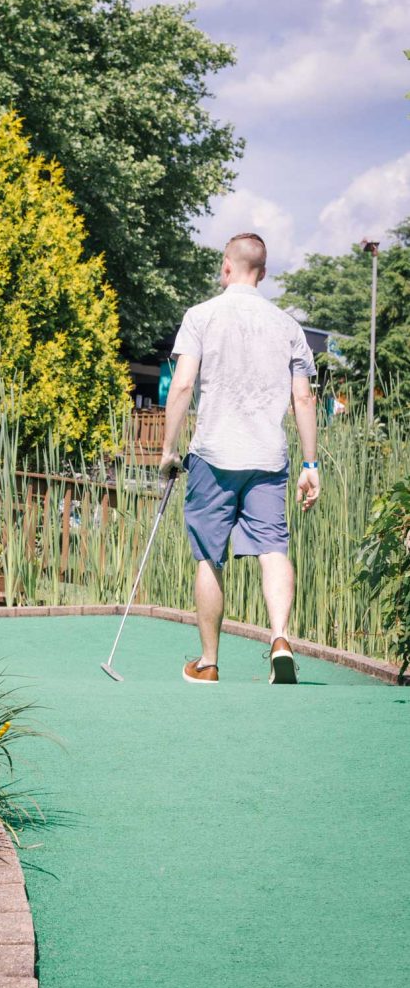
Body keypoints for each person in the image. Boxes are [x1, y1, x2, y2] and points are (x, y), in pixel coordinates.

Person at [159, 232, 320, 685]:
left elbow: (184, 386)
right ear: (263, 274)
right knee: (272, 549)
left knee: (210, 556)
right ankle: (281, 640)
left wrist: (170, 450)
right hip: (268, 458)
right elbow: (303, 399)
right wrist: (311, 466)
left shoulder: (201, 316)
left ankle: (209, 663)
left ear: (226, 268)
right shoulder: (288, 326)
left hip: (213, 454)